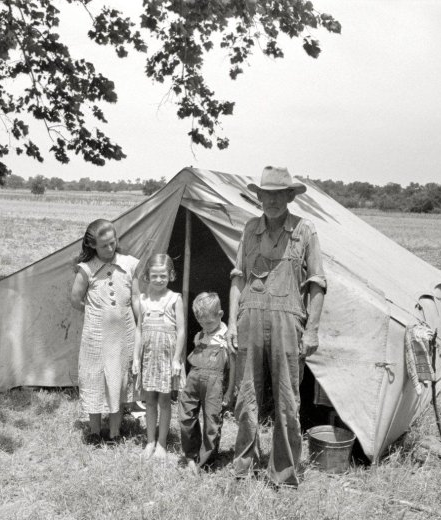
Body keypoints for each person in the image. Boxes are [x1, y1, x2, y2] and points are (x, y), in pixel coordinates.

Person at [227, 166, 326, 487]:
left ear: (289, 197)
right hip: (249, 319)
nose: (271, 201)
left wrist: (311, 330)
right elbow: (238, 278)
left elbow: (317, 284)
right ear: (259, 198)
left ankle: (283, 473)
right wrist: (231, 323)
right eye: (266, 195)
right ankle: (243, 465)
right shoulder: (249, 229)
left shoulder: (305, 231)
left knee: (287, 400)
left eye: (278, 195)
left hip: (288, 322)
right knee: (246, 397)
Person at [71, 219, 140, 444]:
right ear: (92, 246)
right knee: (94, 378)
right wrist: (96, 313)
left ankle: (114, 432)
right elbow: (75, 299)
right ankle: (94, 431)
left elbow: (136, 298)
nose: (110, 248)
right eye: (104, 246)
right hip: (96, 337)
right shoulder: (86, 269)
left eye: (113, 243)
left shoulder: (129, 265)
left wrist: (141, 325)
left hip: (123, 335)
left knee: (118, 380)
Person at [133, 254, 186, 460]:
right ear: (147, 276)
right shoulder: (143, 300)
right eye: (154, 276)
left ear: (171, 275)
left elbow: (181, 331)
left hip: (166, 357)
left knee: (165, 400)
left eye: (162, 275)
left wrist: (176, 359)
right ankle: (150, 441)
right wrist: (137, 358)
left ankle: (162, 443)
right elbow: (139, 330)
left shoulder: (174, 298)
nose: (158, 280)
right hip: (149, 359)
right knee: (150, 401)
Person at [178, 292, 234, 473]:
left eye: (209, 322)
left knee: (212, 422)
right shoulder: (199, 336)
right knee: (186, 416)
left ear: (220, 314)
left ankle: (205, 462)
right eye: (201, 322)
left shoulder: (227, 337)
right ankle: (191, 455)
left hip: (215, 384)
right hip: (194, 380)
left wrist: (229, 391)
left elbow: (233, 367)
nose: (205, 326)